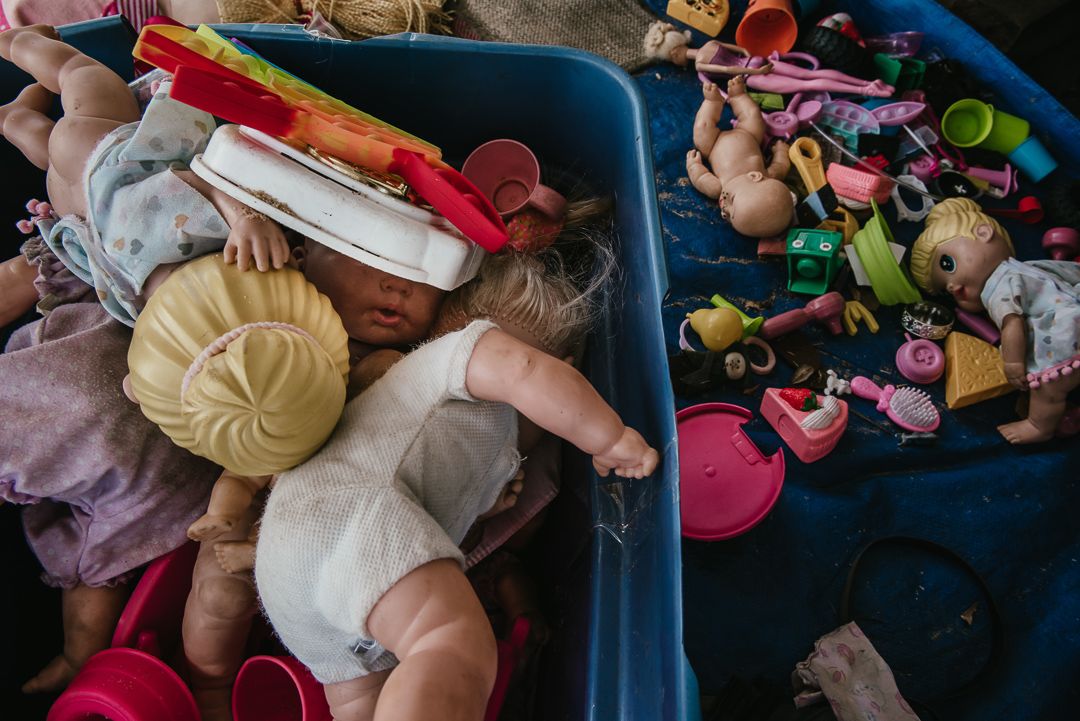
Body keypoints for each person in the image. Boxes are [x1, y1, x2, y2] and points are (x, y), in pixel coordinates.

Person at [249, 249, 658, 721]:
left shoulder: (452, 421)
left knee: (365, 697)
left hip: (289, 570)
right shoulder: (470, 351)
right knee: (453, 642)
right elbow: (525, 372)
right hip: (355, 517)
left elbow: (444, 490)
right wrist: (608, 436)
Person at [0, 24, 289, 329]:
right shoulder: (137, 308)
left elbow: (196, 182)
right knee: (50, 151)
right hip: (74, 210)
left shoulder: (172, 238)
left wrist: (244, 217)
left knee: (78, 72)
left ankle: (18, 42)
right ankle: (12, 119)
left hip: (92, 147)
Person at [910, 197, 1080, 443]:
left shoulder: (998, 286)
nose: (951, 285)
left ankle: (1038, 426)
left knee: (1047, 388)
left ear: (983, 233)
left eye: (949, 264)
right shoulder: (1027, 268)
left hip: (1065, 337)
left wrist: (1013, 366)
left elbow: (1012, 325)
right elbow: (1068, 272)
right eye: (945, 290)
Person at [685, 75, 794, 239]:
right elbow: (781, 165)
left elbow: (700, 177)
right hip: (748, 135)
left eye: (729, 217)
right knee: (753, 116)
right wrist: (781, 151)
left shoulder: (717, 188)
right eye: (732, 202)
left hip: (713, 145)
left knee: (702, 129)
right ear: (755, 176)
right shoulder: (769, 175)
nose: (724, 210)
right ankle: (738, 95)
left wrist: (693, 165)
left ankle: (711, 102)